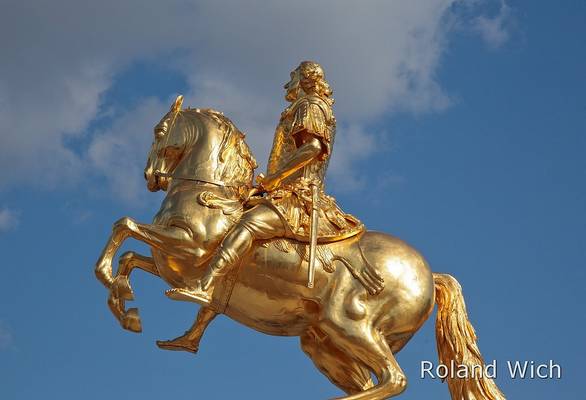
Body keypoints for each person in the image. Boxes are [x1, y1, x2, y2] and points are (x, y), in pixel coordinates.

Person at [167, 61, 364, 307]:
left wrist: (276, 177)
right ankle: (197, 328)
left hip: (296, 197)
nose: (287, 84)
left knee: (247, 226)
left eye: (292, 77)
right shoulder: (302, 107)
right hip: (282, 192)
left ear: (304, 80)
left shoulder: (310, 106)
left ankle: (205, 287)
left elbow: (312, 147)